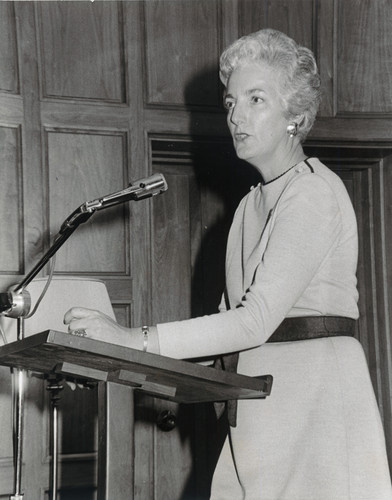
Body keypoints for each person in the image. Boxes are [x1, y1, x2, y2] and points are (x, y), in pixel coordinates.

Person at [64, 29, 392, 499]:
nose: (237, 115)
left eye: (256, 99)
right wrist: (110, 355)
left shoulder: (314, 192)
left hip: (316, 407)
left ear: (295, 115)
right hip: (258, 407)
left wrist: (130, 339)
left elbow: (254, 320)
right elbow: (224, 328)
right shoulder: (247, 207)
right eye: (231, 102)